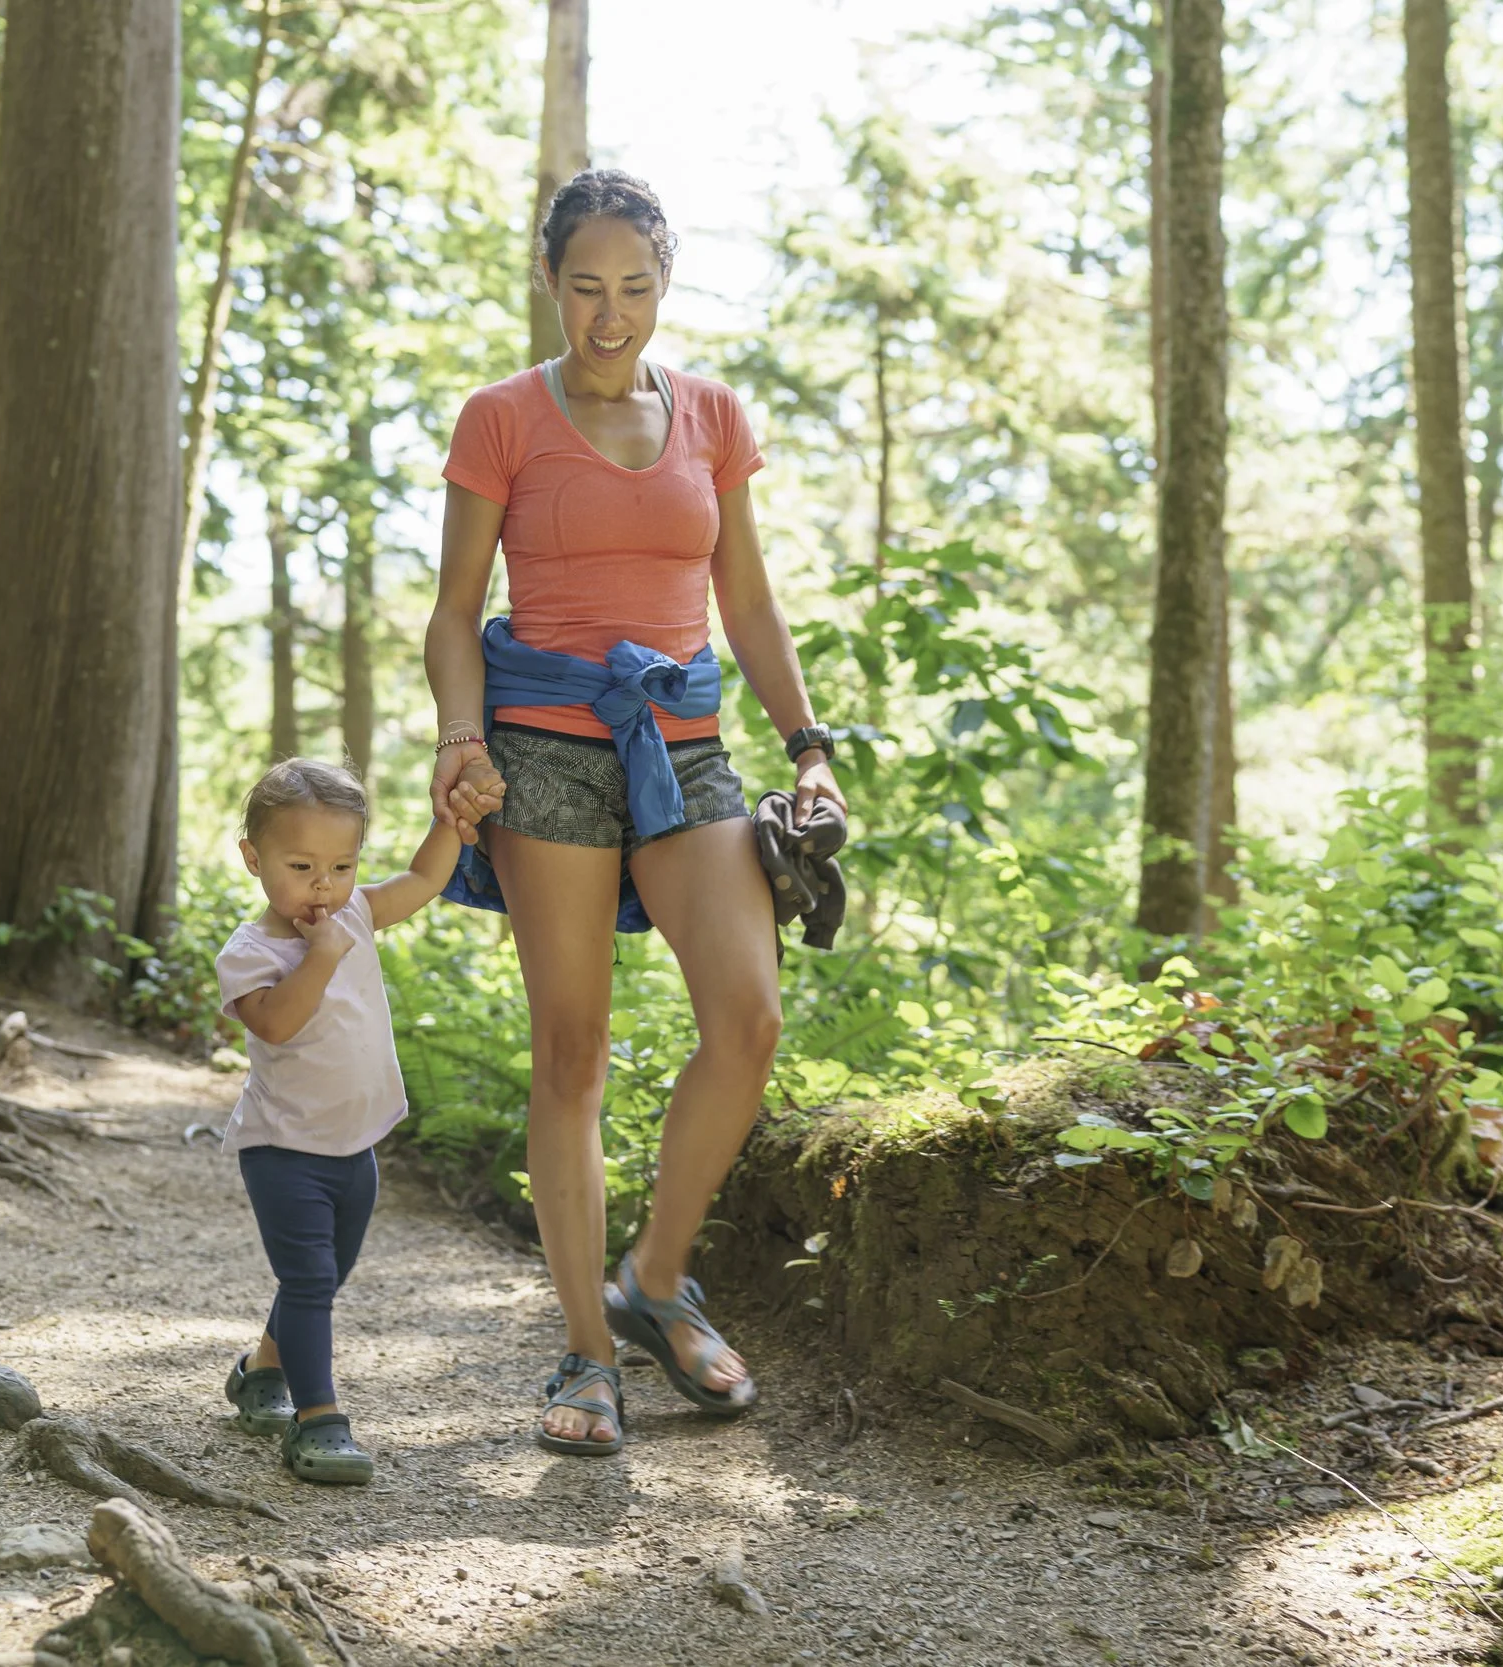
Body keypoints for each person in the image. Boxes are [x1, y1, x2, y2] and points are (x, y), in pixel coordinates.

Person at [425, 169, 847, 1456]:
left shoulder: (711, 415)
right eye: (588, 286)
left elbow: (750, 604)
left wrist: (812, 746)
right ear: (550, 281)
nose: (612, 315)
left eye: (638, 287)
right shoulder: (501, 417)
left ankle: (655, 1279)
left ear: (666, 284)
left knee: (749, 1013)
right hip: (543, 748)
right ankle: (585, 1353)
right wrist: (460, 736)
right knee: (572, 1051)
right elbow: (453, 613)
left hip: (687, 743)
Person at [214, 756, 503, 1483]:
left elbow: (425, 879)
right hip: (284, 1148)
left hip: (357, 1146)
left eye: (342, 865)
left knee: (325, 1274)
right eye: (302, 864)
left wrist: (452, 822)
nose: (324, 884)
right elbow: (277, 1024)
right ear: (254, 858)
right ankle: (320, 1420)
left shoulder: (356, 911)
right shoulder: (250, 953)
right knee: (309, 1278)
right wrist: (322, 953)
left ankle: (260, 1371)